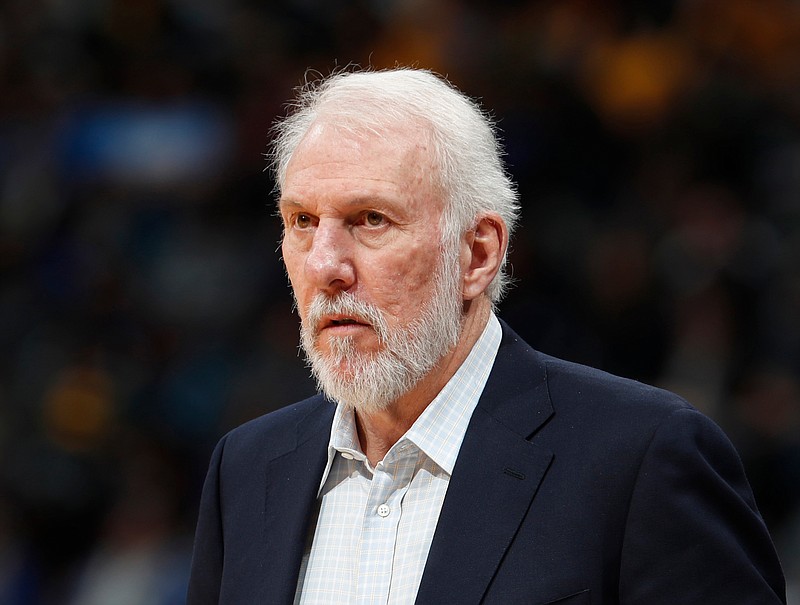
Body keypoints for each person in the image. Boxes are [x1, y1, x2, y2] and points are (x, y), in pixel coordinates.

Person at [187, 68, 786, 604]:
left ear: (476, 254)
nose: (324, 266)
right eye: (302, 222)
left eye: (371, 220)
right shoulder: (245, 468)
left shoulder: (641, 458)